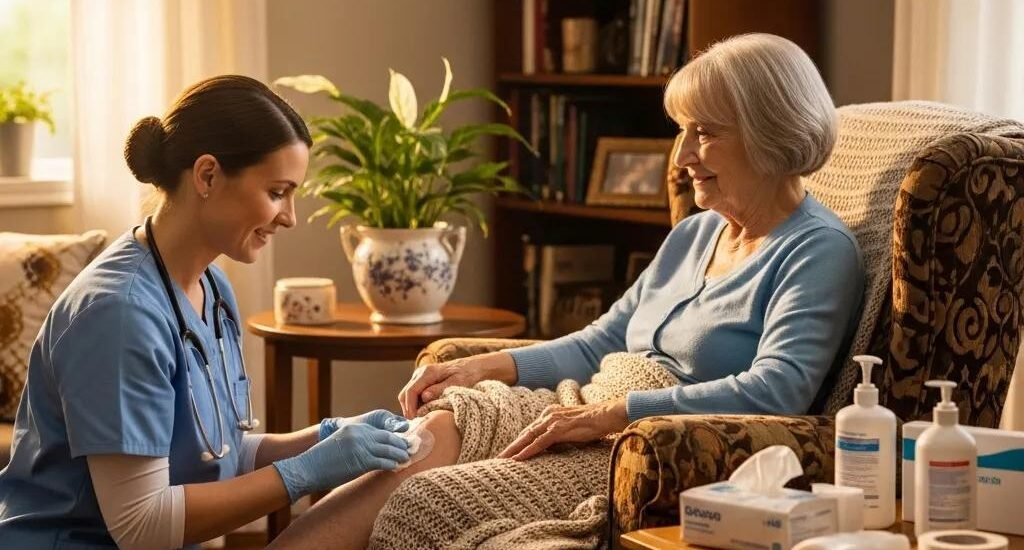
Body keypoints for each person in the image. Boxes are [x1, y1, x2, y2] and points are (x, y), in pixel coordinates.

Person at [267, 33, 866, 549]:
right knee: (423, 436)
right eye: (681, 131)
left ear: (770, 133)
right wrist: (487, 367)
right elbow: (604, 339)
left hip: (640, 443)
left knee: (424, 504)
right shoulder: (696, 233)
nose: (681, 157)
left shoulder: (817, 250)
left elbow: (780, 389)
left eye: (703, 133)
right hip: (585, 402)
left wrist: (611, 415)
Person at [0, 75, 411, 549]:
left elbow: (216, 453)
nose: (290, 216)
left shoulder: (211, 288)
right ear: (208, 176)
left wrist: (324, 438)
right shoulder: (118, 314)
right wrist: (305, 472)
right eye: (278, 191)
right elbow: (142, 526)